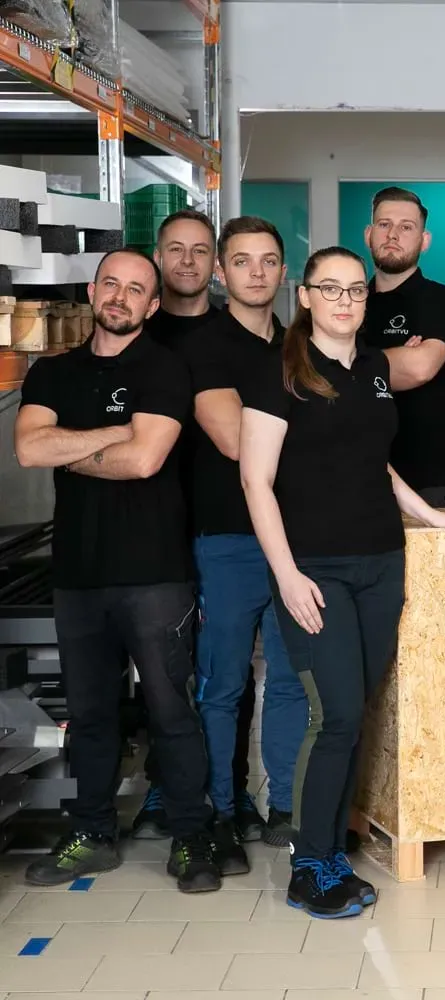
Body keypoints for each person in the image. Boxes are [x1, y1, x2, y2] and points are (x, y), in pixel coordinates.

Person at [239, 245, 445, 918]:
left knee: (357, 711)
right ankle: (308, 863)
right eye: (330, 288)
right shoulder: (278, 372)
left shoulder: (374, 368)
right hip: (315, 571)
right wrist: (287, 575)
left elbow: (374, 462)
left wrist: (429, 514)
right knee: (336, 714)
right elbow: (255, 480)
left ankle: (333, 853)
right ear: (305, 296)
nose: (344, 301)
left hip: (381, 562)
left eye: (355, 290)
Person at [14, 249, 221, 893]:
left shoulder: (165, 367)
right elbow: (28, 448)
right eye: (112, 284)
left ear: (152, 305)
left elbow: (145, 461)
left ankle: (191, 836)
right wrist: (114, 433)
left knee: (171, 710)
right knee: (89, 713)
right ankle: (92, 834)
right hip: (78, 573)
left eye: (136, 289)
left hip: (155, 572)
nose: (121, 296)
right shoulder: (52, 372)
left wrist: (71, 445)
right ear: (92, 290)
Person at [173, 216, 309, 870]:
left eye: (269, 260)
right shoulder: (203, 344)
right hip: (227, 538)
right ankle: (221, 812)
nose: (257, 272)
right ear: (223, 273)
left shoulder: (300, 344)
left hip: (298, 538)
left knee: (289, 680)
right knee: (222, 684)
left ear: (283, 272)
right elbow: (232, 441)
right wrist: (312, 440)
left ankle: (284, 804)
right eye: (243, 260)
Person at [133, 209, 257, 842]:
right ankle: (168, 786)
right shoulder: (138, 335)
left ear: (216, 265)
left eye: (200, 251)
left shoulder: (233, 333)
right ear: (158, 257)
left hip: (218, 521)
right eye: (175, 250)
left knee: (225, 672)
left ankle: (230, 791)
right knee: (165, 668)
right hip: (151, 522)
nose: (187, 261)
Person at [363, 186, 445, 506]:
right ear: (369, 234)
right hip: (357, 477)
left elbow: (421, 368)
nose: (393, 234)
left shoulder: (439, 299)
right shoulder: (351, 301)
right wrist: (397, 358)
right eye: (384, 224)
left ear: (424, 240)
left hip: (430, 481)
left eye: (406, 227)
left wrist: (347, 365)